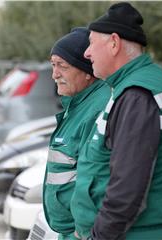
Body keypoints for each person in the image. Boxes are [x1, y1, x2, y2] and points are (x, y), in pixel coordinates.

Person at [70, 2, 162, 240]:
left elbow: (127, 187)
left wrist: (99, 236)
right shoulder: (132, 87)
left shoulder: (137, 95)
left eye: (92, 43)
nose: (87, 53)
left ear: (114, 43)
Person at [43, 27, 111, 240]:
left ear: (87, 71)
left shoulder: (98, 108)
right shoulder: (79, 104)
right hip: (70, 230)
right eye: (53, 65)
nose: (54, 74)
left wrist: (84, 229)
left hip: (82, 232)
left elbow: (98, 178)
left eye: (62, 66)